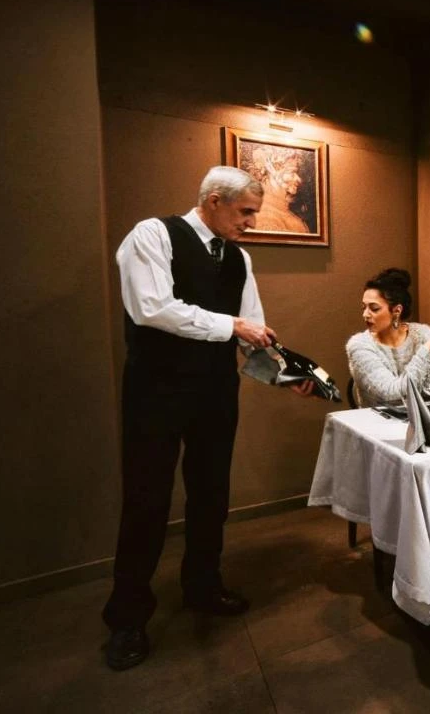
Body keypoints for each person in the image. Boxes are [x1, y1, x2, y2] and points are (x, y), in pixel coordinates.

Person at [103, 166, 314, 671]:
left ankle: (202, 585)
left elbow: (251, 331)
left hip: (216, 392)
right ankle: (127, 618)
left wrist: (286, 375)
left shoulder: (239, 258)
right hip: (156, 391)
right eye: (245, 212)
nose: (251, 222)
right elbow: (153, 308)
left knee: (211, 494)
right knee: (146, 501)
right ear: (214, 200)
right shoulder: (152, 235)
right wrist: (232, 325)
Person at [346, 268, 430, 407]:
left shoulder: (423, 333)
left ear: (397, 310)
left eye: (374, 308)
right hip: (378, 420)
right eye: (363, 307)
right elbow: (392, 395)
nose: (365, 314)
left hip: (420, 418)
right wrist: (429, 348)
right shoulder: (359, 345)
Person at [249, 145, 311, 233]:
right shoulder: (265, 218)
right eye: (292, 172)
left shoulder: (284, 211)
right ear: (271, 170)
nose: (299, 179)